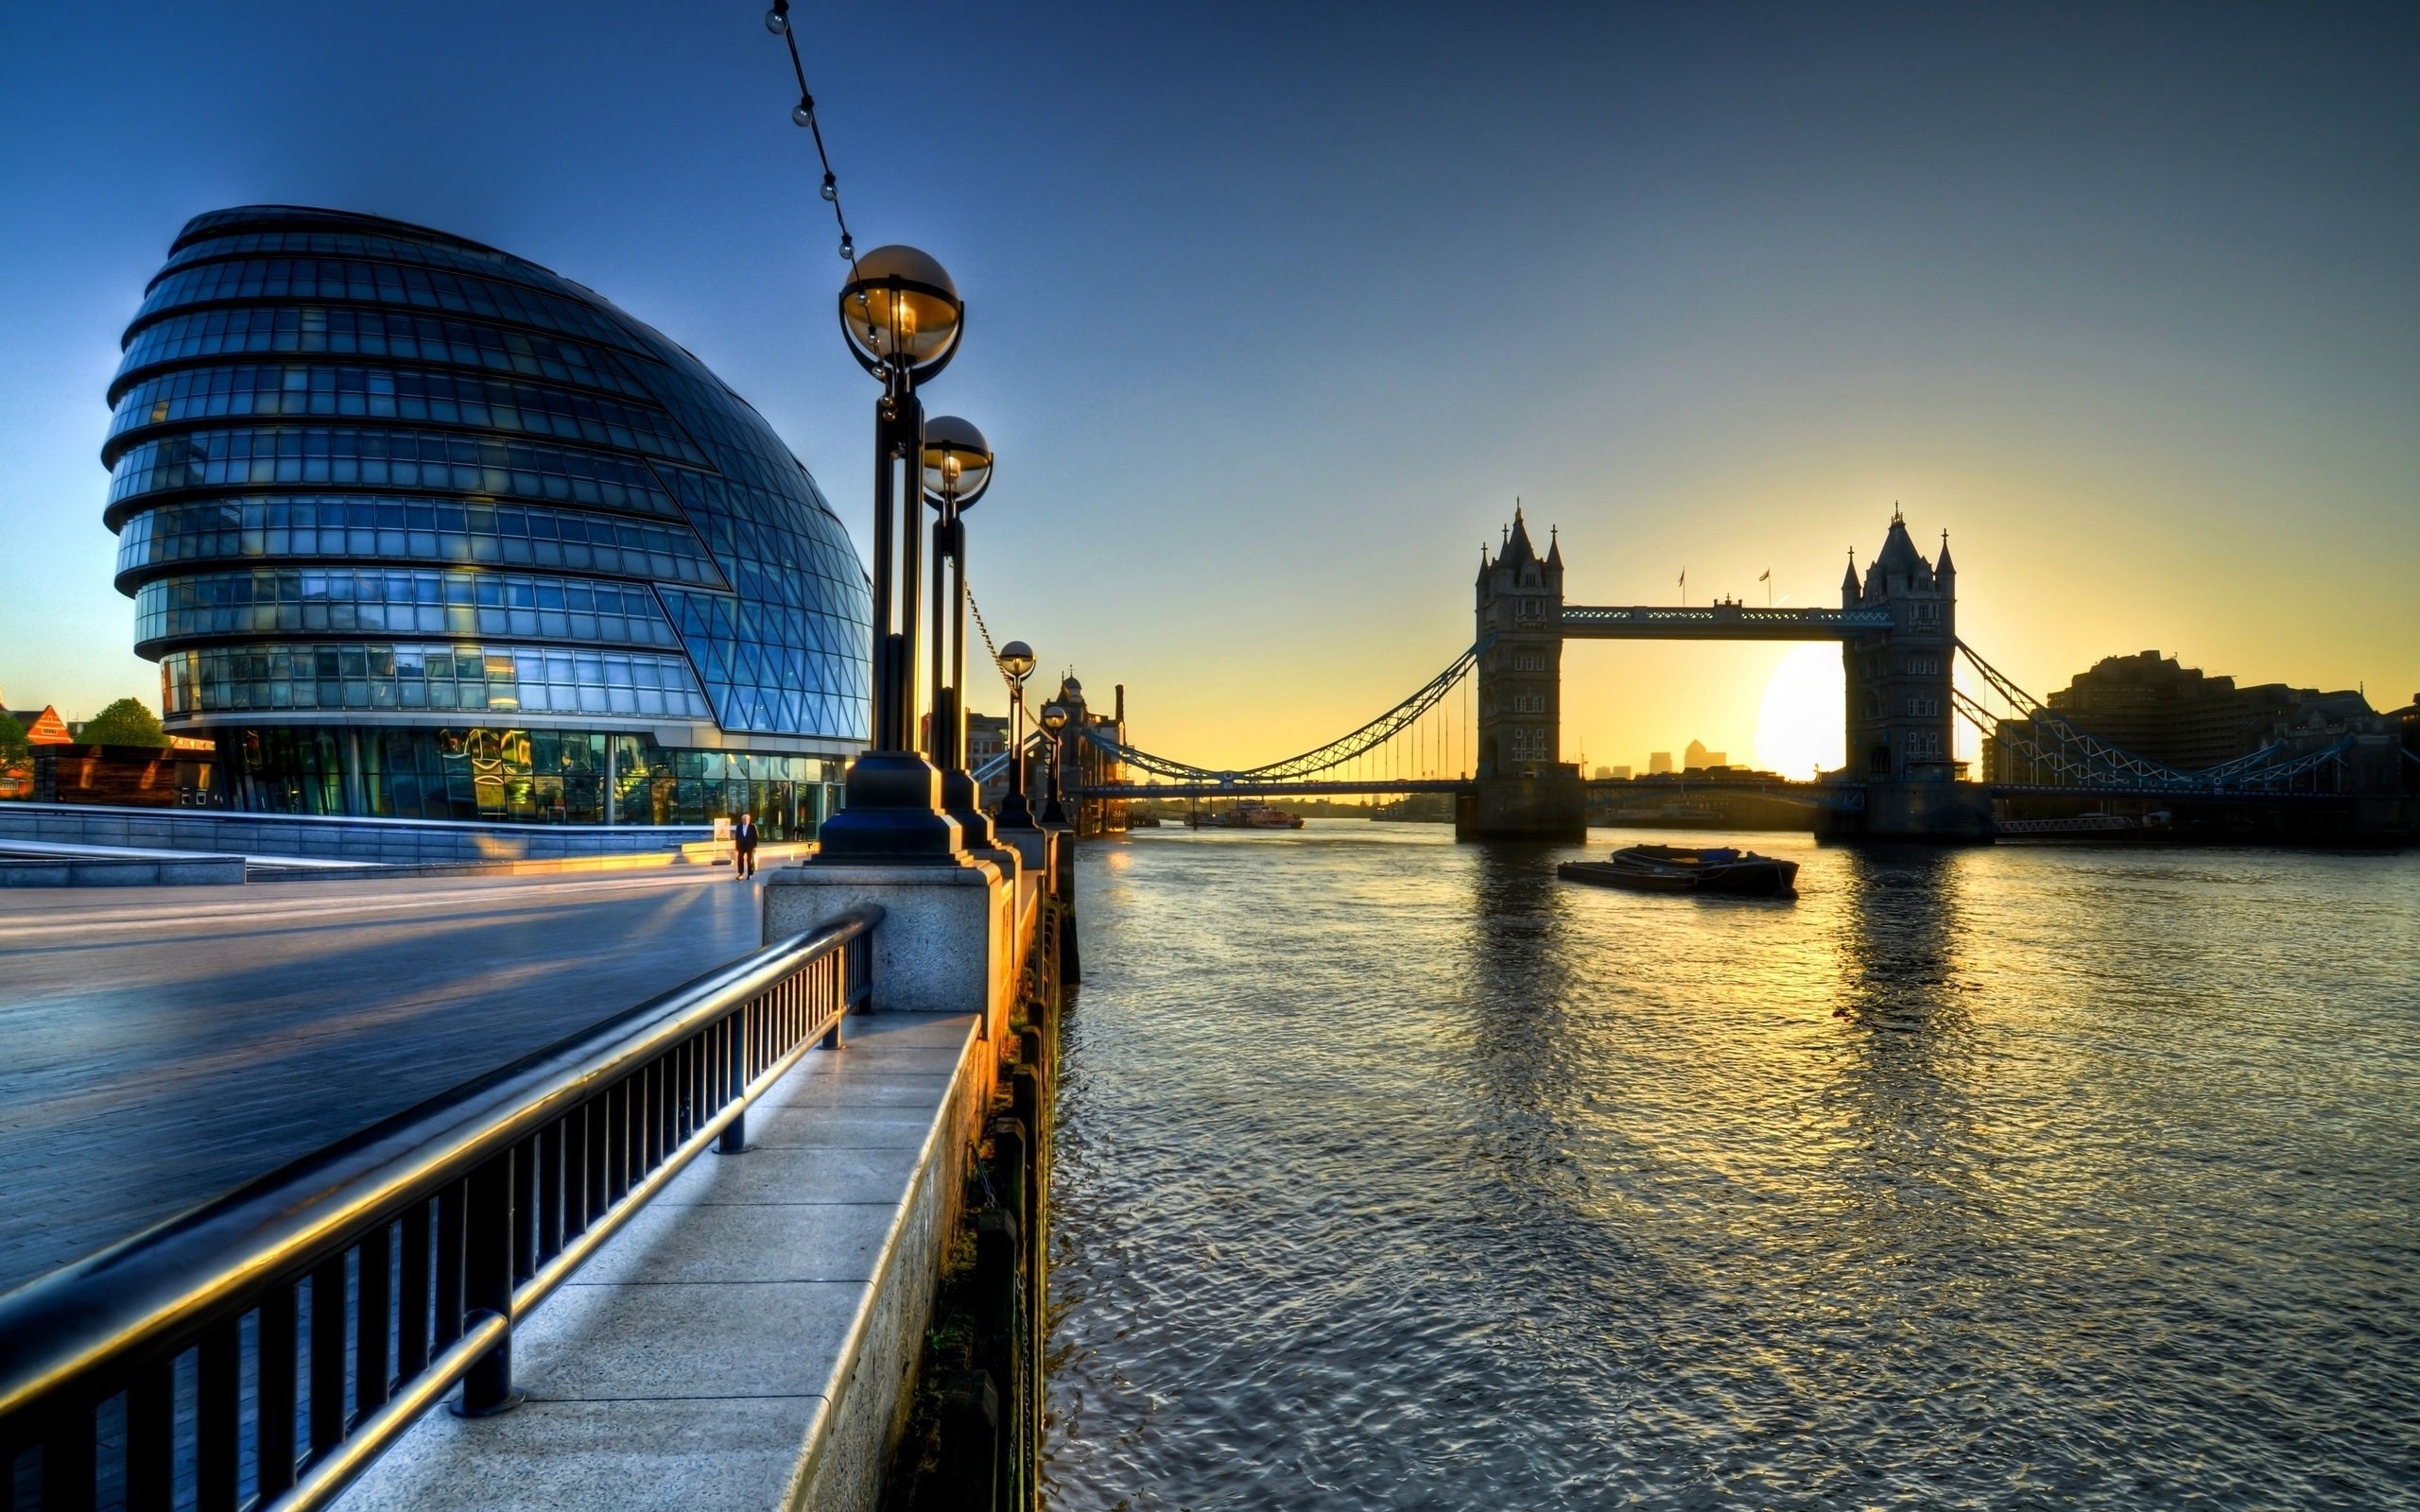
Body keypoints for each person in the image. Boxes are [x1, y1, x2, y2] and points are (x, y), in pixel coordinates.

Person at [733, 810, 759, 880]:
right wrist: (736, 847)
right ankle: (740, 874)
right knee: (740, 859)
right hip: (741, 846)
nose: (744, 820)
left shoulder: (752, 826)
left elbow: (756, 837)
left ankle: (750, 874)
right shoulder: (739, 826)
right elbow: (737, 837)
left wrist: (754, 846)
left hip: (750, 846)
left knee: (749, 860)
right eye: (743, 819)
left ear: (749, 819)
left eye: (746, 819)